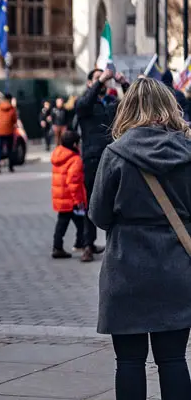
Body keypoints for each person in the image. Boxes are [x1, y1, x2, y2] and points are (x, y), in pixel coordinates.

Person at [89, 77, 191, 400]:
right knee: (173, 358)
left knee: (129, 361)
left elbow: (98, 214)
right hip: (177, 268)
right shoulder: (188, 152)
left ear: (128, 108)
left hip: (127, 268)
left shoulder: (116, 154)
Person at [74, 67, 129, 262]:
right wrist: (100, 81)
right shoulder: (85, 104)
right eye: (97, 79)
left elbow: (133, 105)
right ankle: (88, 245)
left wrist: (123, 82)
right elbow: (83, 106)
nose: (103, 81)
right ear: (90, 84)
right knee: (91, 202)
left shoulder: (110, 105)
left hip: (113, 159)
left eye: (104, 79)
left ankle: (114, 245)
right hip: (92, 159)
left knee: (116, 203)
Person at [50, 130, 86, 259]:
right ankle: (78, 244)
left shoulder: (58, 155)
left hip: (61, 197)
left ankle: (58, 246)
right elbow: (73, 183)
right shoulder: (75, 159)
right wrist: (78, 201)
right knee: (81, 223)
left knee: (62, 223)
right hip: (71, 199)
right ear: (75, 144)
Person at [0, 93, 18, 174]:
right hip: (9, 131)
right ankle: (10, 166)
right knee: (10, 149)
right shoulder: (12, 109)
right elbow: (14, 120)